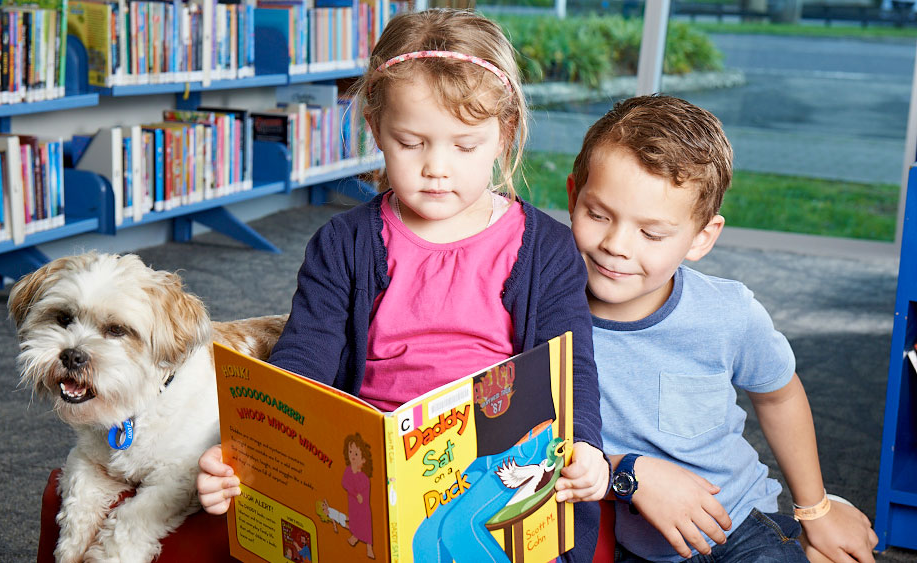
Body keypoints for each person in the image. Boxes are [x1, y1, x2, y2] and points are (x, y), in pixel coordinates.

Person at [197, 8, 609, 559]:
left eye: (465, 146)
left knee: (453, 537)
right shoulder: (342, 244)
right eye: (412, 143)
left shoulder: (546, 250)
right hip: (373, 462)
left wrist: (586, 447)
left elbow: (570, 366)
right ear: (377, 131)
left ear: (504, 135)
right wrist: (242, 457)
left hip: (500, 461)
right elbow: (302, 365)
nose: (437, 167)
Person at [564, 94, 880, 562]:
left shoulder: (728, 313)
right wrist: (627, 475)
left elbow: (779, 394)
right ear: (573, 195)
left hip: (741, 525)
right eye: (598, 214)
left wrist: (816, 508)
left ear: (702, 237)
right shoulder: (546, 313)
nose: (616, 245)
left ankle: (798, 536)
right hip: (637, 542)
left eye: (651, 233)